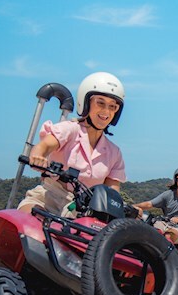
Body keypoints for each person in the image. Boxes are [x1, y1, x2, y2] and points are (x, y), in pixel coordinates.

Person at [18, 71, 127, 216]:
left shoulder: (114, 153)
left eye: (112, 106)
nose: (106, 111)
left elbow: (112, 192)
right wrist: (38, 156)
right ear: (86, 103)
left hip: (83, 211)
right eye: (100, 103)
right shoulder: (69, 130)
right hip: (48, 199)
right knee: (31, 221)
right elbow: (43, 147)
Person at [134, 167, 178, 245]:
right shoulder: (168, 194)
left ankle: (164, 256)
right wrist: (133, 206)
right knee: (144, 226)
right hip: (166, 224)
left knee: (169, 235)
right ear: (175, 180)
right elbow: (149, 204)